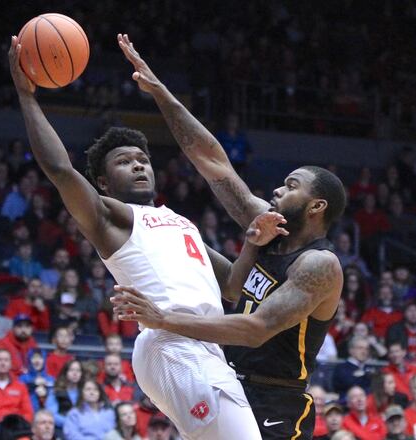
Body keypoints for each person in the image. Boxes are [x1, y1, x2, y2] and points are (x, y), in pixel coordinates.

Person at [9, 35, 270, 440]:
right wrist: (27, 97)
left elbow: (233, 288)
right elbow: (61, 171)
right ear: (102, 181)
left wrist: (253, 239)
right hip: (172, 341)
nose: (138, 166)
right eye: (124, 161)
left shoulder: (179, 222)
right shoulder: (115, 217)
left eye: (143, 159)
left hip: (201, 343)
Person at [112, 35, 347, 440]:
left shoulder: (319, 265)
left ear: (317, 207)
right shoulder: (269, 226)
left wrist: (163, 318)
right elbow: (214, 164)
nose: (277, 190)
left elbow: (256, 328)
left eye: (291, 186)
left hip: (277, 401)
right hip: (225, 378)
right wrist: (161, 93)